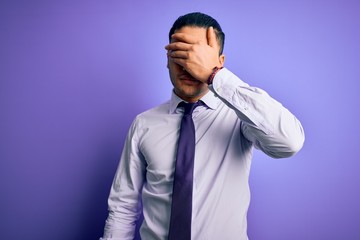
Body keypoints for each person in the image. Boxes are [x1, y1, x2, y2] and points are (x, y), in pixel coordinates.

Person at [100, 12, 305, 240]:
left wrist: (214, 75)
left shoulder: (241, 118)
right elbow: (122, 207)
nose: (189, 66)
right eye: (180, 54)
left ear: (219, 62)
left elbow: (290, 142)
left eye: (198, 55)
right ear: (167, 59)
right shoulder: (143, 124)